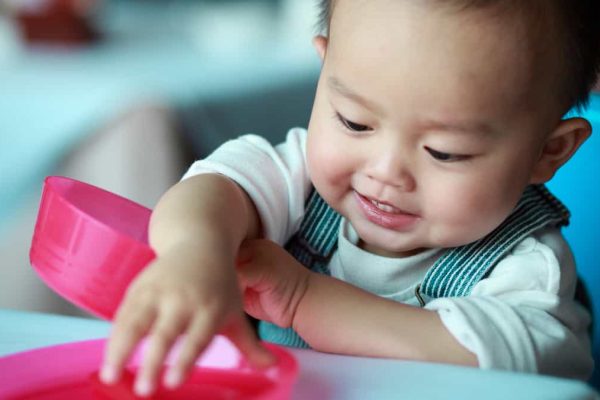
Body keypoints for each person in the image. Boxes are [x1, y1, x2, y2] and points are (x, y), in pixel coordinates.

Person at [100, 0, 600, 396]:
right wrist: (195, 252)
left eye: (445, 152)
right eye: (355, 122)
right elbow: (213, 189)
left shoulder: (526, 269)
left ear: (548, 152)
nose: (384, 172)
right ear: (325, 73)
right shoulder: (302, 179)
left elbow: (511, 359)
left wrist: (303, 299)